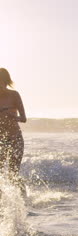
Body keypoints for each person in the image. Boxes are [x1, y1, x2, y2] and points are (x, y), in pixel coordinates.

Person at [0, 68, 27, 196]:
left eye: (2, 82)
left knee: (12, 174)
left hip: (15, 138)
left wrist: (13, 116)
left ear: (6, 81)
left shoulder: (14, 95)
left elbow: (23, 118)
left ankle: (24, 198)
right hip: (1, 141)